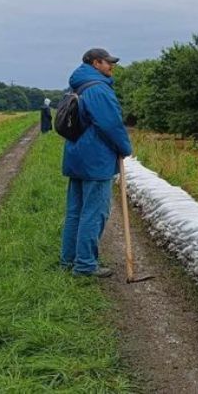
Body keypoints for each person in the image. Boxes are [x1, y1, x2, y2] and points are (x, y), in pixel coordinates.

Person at [60, 48, 133, 277]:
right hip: (96, 159)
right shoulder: (99, 89)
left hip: (76, 156)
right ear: (95, 63)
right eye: (107, 62)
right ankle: (85, 265)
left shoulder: (77, 86)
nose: (112, 66)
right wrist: (125, 148)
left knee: (76, 211)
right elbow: (110, 124)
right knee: (94, 212)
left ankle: (69, 260)